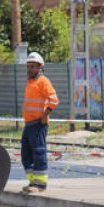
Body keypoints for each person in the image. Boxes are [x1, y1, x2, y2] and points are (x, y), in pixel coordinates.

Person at [21, 51, 59, 193]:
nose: (29, 69)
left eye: (32, 66)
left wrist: (45, 114)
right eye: (28, 66)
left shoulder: (43, 81)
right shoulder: (30, 81)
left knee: (38, 153)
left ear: (39, 67)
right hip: (29, 124)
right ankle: (33, 182)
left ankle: (40, 184)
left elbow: (54, 100)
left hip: (38, 124)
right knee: (26, 154)